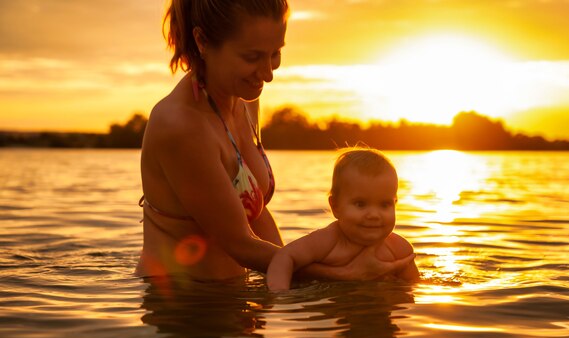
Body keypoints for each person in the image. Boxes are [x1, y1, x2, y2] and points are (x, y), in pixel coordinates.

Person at [137, 0, 415, 281]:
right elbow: (239, 244)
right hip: (182, 307)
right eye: (251, 57)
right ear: (202, 41)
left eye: (275, 54)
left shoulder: (244, 100)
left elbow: (256, 213)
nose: (268, 74)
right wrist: (344, 273)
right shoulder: (180, 126)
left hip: (235, 299)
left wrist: (295, 276)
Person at [267, 149, 421, 291]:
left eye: (384, 204)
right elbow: (285, 256)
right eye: (360, 204)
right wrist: (280, 295)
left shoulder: (399, 250)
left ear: (395, 204)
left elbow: (416, 287)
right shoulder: (327, 241)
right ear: (336, 206)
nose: (374, 214)